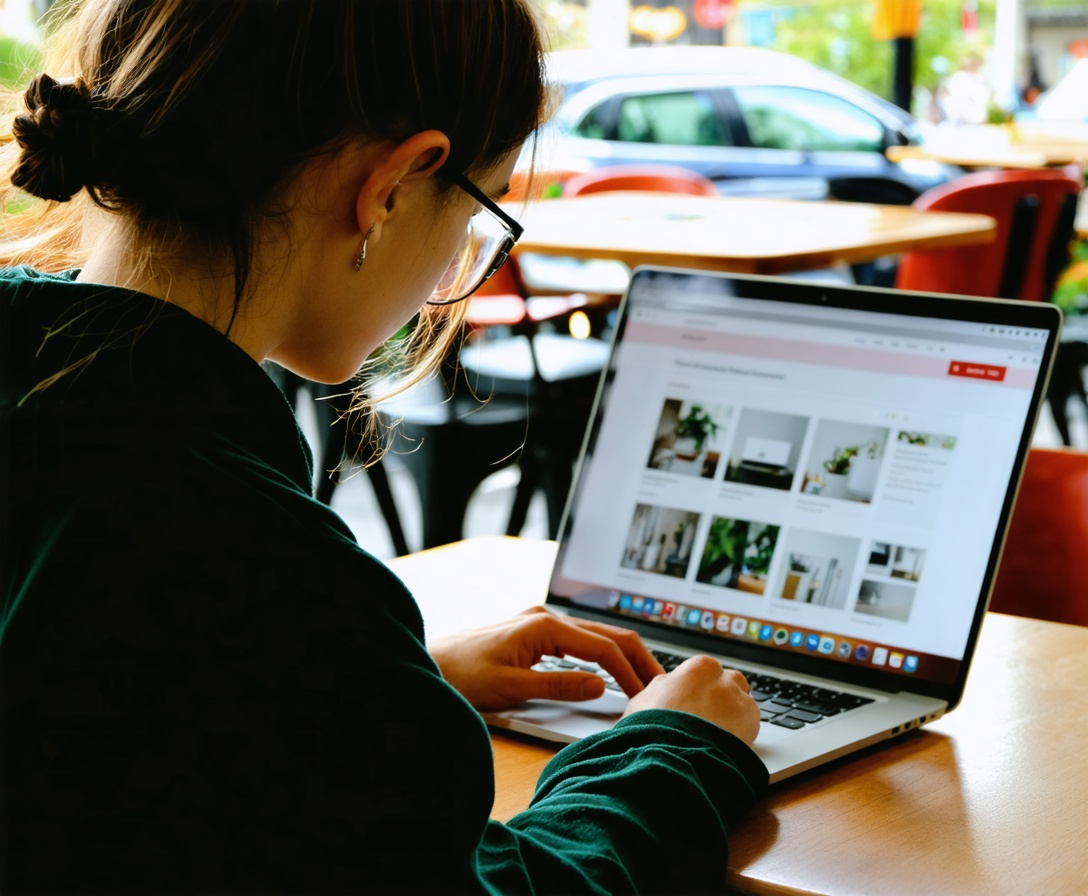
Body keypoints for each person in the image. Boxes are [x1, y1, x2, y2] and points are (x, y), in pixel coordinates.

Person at [0, 1, 766, 893]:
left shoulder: (75, 433)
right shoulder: (260, 562)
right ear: (395, 185)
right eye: (479, 209)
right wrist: (676, 749)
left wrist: (390, 689)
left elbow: (97, 712)